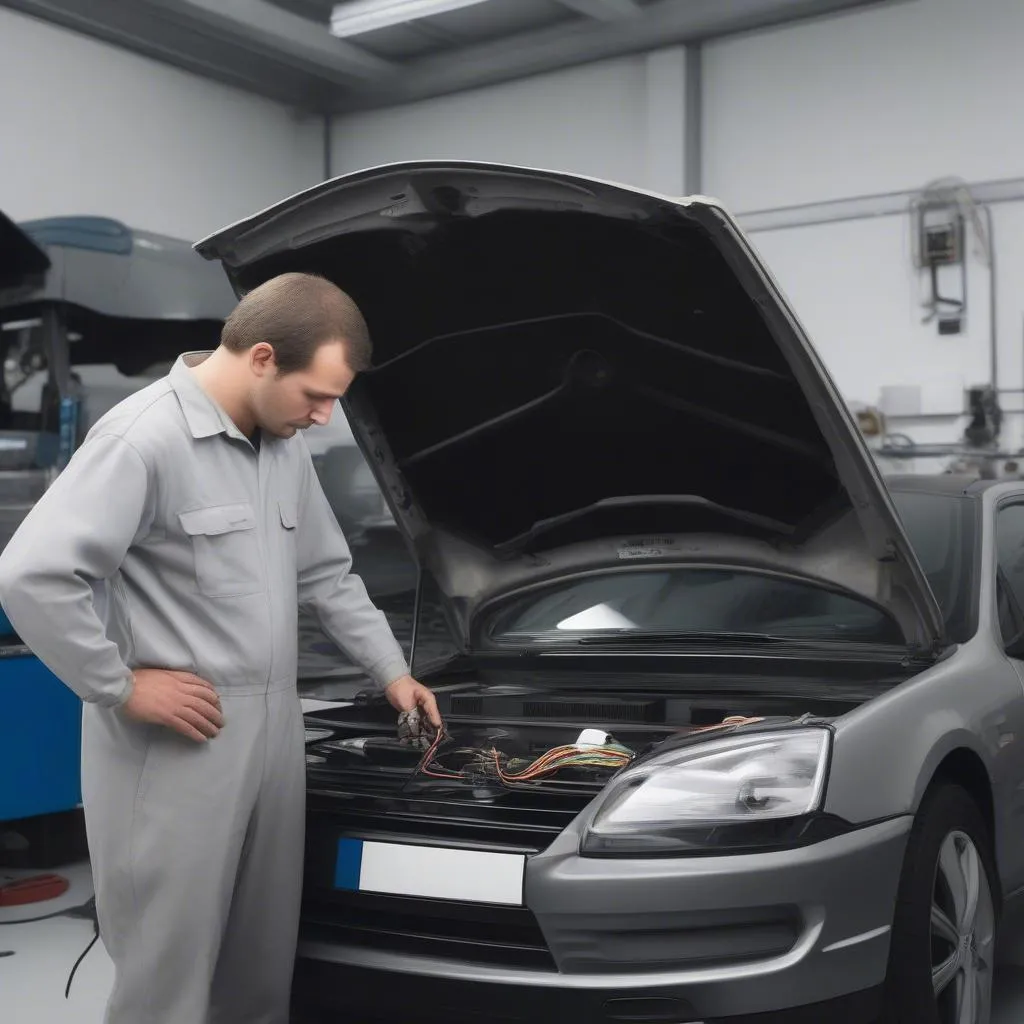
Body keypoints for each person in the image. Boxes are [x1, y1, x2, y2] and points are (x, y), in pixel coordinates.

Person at [0, 272, 441, 1024]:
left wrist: (392, 671)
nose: (326, 416)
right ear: (263, 357)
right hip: (177, 742)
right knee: (168, 979)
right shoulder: (144, 440)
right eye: (316, 395)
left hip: (274, 729)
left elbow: (328, 575)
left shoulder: (282, 446)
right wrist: (118, 686)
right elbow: (32, 574)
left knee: (258, 969)